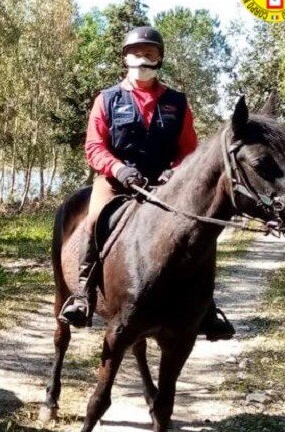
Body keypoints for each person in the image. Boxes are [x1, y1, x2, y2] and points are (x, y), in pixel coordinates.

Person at [58, 26, 234, 341]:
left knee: (196, 230)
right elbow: (94, 146)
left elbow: (188, 150)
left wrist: (175, 172)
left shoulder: (177, 103)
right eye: (136, 53)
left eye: (149, 53)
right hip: (115, 182)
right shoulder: (108, 99)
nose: (142, 59)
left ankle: (207, 306)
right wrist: (118, 168)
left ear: (159, 59)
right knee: (94, 220)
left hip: (165, 186)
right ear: (125, 57)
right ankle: (83, 296)